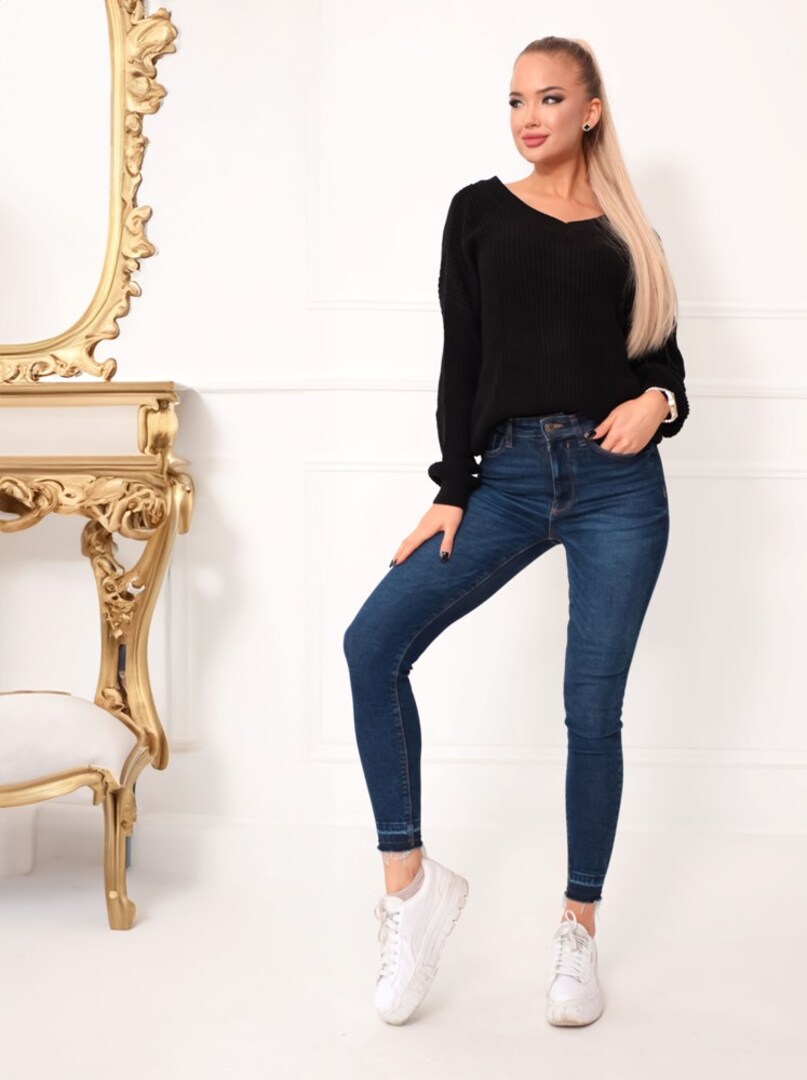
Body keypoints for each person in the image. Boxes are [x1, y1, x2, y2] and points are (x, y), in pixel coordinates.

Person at [343, 34, 689, 1028]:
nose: (528, 117)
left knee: (592, 710)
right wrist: (452, 488)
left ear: (590, 110)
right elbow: (463, 355)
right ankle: (411, 888)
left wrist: (657, 400)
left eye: (548, 98)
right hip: (507, 477)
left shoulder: (628, 230)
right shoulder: (478, 212)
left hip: (618, 486)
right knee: (373, 645)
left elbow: (665, 362)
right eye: (514, 100)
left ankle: (577, 929)